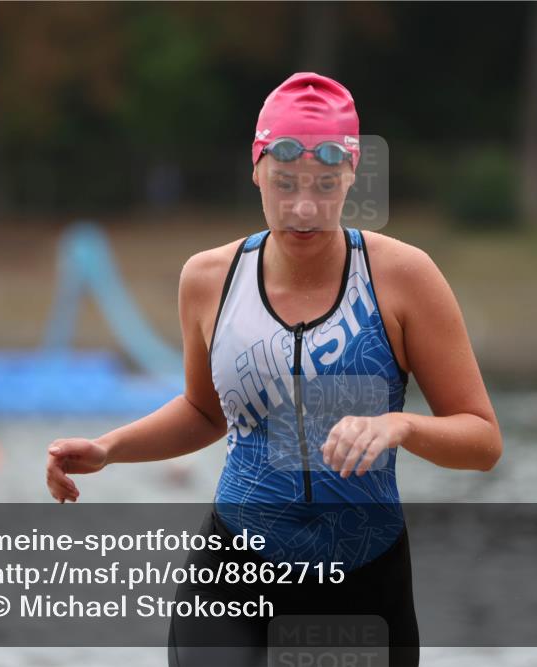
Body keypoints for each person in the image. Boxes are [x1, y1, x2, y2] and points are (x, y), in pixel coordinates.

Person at [45, 72, 503, 667]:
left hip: (362, 583)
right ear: (256, 169)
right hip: (233, 578)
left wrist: (402, 428)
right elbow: (203, 411)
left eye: (325, 184)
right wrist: (109, 447)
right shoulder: (210, 280)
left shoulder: (404, 278)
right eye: (285, 183)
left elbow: (483, 440)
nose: (304, 207)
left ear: (351, 176)